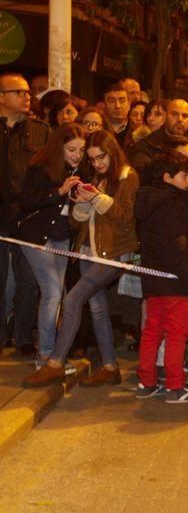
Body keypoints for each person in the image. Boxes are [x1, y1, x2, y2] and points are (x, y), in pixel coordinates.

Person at [23, 130, 139, 388]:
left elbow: (126, 217)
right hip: (89, 250)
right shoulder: (96, 176)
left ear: (113, 152)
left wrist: (97, 199)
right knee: (97, 308)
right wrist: (82, 204)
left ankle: (54, 363)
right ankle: (110, 366)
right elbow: (77, 221)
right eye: (93, 158)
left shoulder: (127, 176)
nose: (97, 163)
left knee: (72, 299)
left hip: (113, 252)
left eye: (102, 157)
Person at [133, 150, 188, 403]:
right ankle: (175, 386)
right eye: (185, 175)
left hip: (154, 281)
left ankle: (146, 381)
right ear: (167, 177)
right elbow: (176, 244)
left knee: (152, 331)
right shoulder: (172, 203)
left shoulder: (149, 200)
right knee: (177, 332)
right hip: (175, 281)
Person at [15, 123, 85, 365]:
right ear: (59, 147)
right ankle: (45, 354)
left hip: (62, 237)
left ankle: (55, 352)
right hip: (37, 238)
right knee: (52, 293)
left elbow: (76, 214)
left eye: (81, 150)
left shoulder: (81, 171)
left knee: (60, 294)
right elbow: (26, 201)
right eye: (72, 149)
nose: (77, 155)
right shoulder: (40, 167)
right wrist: (59, 191)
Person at [1, 71, 49, 354]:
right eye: (18, 92)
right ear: (1, 98)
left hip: (29, 216)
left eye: (27, 92)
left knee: (29, 281)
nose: (26, 96)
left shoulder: (41, 131)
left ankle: (23, 337)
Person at [127, 99, 188, 184]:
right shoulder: (145, 145)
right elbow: (143, 177)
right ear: (164, 116)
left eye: (185, 116)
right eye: (174, 114)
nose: (180, 119)